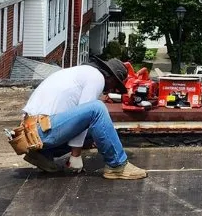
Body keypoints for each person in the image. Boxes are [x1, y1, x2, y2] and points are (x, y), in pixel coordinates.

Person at [14, 57, 147, 179]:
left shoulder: (79, 73)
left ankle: (43, 155)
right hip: (42, 131)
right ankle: (117, 165)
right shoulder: (97, 77)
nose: (111, 90)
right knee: (97, 109)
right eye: (115, 86)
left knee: (94, 131)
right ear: (110, 77)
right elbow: (89, 111)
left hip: (31, 132)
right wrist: (75, 155)